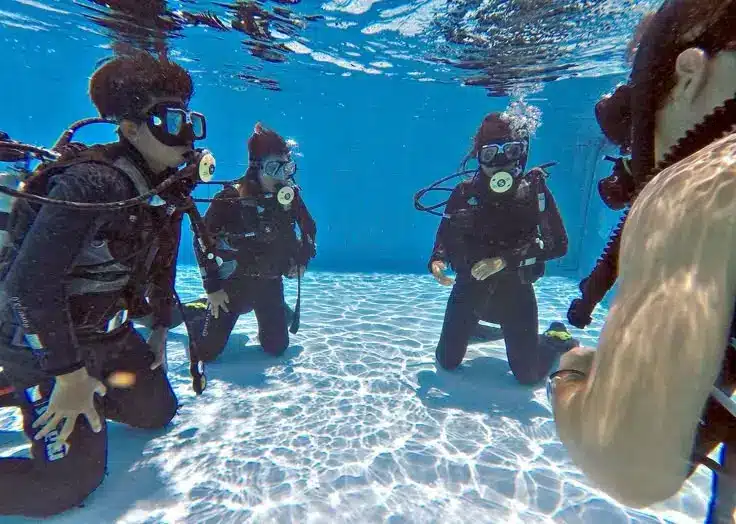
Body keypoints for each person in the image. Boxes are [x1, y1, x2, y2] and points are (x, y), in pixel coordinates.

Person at [0, 50, 208, 517]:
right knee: (64, 486)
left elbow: (162, 261)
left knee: (156, 413)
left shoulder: (163, 186)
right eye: (172, 121)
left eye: (190, 121)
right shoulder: (93, 184)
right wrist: (69, 375)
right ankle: (24, 383)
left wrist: (158, 328)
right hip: (40, 341)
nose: (188, 137)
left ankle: (22, 391)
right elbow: (27, 286)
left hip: (108, 334)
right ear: (130, 129)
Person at [550, 0, 736, 518]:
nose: (641, 145)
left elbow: (627, 463)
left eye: (643, 113)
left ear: (689, 75)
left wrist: (570, 375)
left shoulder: (700, 181)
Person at [428, 112, 577, 385]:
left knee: (528, 376)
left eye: (510, 151)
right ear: (478, 156)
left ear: (520, 154)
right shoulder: (464, 192)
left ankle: (554, 339)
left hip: (515, 289)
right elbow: (445, 235)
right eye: (489, 154)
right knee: (446, 361)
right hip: (470, 286)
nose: (500, 162)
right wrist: (437, 260)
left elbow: (558, 245)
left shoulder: (533, 190)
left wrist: (504, 260)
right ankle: (476, 329)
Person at [178, 123, 316, 362]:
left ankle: (276, 311)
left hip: (270, 282)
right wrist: (213, 288)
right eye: (274, 168)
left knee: (276, 348)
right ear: (255, 167)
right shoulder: (230, 198)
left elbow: (309, 228)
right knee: (205, 353)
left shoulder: (289, 197)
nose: (281, 176)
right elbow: (202, 240)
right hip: (231, 286)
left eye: (287, 168)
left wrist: (302, 260)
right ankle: (197, 309)